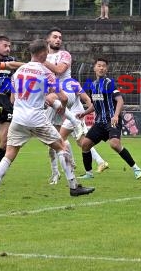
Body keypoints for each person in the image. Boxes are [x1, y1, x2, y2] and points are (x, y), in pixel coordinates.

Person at [0, 39, 94, 199]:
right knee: (62, 147)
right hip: (36, 118)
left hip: (18, 119)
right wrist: (61, 108)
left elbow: (12, 100)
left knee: (9, 154)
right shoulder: (45, 72)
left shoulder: (19, 72)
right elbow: (63, 97)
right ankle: (73, 186)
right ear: (43, 53)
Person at [43, 28, 105, 182]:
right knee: (55, 141)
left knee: (62, 139)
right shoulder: (42, 57)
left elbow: (59, 70)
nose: (58, 40)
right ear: (48, 40)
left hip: (65, 94)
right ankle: (59, 171)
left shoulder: (64, 55)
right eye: (55, 37)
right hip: (53, 96)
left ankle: (70, 163)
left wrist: (90, 110)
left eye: (60, 37)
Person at [77, 58, 141, 179]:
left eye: (103, 66)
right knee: (85, 144)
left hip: (111, 120)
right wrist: (84, 113)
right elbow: (94, 105)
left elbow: (120, 100)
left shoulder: (109, 83)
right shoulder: (92, 85)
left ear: (106, 69)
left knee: (114, 144)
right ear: (94, 68)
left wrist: (116, 115)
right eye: (99, 66)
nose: (101, 68)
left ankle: (136, 168)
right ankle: (89, 174)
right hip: (99, 122)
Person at [0, 35, 24, 178]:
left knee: (4, 141)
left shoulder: (11, 61)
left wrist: (13, 96)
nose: (8, 48)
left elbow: (15, 79)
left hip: (7, 102)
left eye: (9, 46)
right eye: (5, 45)